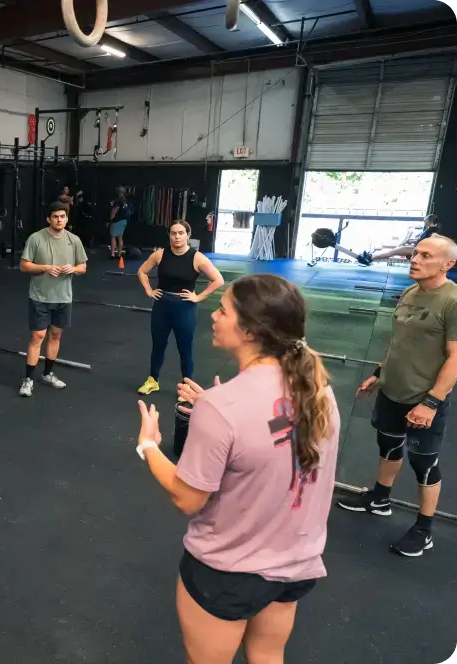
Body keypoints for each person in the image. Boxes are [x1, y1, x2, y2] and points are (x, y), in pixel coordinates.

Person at [135, 274, 340, 664]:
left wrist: (149, 446)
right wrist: (216, 410)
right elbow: (269, 438)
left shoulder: (223, 408)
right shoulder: (318, 390)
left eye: (224, 310)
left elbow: (187, 497)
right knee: (267, 655)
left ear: (249, 330)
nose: (214, 315)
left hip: (228, 571)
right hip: (295, 564)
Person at [338, 233, 457, 557]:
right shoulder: (409, 293)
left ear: (448, 264)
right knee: (388, 445)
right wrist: (379, 374)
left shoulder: (452, 301)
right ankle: (380, 498)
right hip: (392, 391)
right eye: (415, 253)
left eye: (425, 256)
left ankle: (424, 529)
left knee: (424, 464)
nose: (414, 259)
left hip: (424, 399)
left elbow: (455, 357)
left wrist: (431, 403)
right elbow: (399, 344)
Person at [136, 220, 224, 396]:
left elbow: (218, 280)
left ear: (188, 235)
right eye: (173, 233)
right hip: (162, 305)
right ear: (169, 235)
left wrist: (198, 297)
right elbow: (142, 271)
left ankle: (187, 387)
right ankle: (153, 381)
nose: (177, 237)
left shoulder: (196, 257)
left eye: (181, 233)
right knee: (158, 346)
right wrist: (148, 290)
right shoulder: (160, 254)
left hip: (185, 308)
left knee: (185, 349)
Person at [18, 201, 88, 397]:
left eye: (62, 217)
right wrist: (46, 267)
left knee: (56, 335)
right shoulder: (36, 238)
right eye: (55, 217)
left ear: (66, 219)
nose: (59, 220)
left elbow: (82, 267)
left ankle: (48, 373)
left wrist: (72, 269)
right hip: (40, 296)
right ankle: (28, 379)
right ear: (49, 219)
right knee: (37, 336)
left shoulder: (74, 240)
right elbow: (24, 266)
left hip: (63, 298)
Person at [357, 214, 441, 266]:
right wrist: (410, 240)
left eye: (425, 220)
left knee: (393, 251)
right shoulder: (430, 229)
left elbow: (424, 242)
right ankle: (371, 257)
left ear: (430, 221)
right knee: (394, 250)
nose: (424, 221)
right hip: (418, 248)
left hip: (420, 250)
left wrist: (410, 240)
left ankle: (370, 258)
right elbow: (420, 240)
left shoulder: (432, 230)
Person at [108, 186, 129, 259]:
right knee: (120, 237)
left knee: (113, 237)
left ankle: (113, 254)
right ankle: (119, 254)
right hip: (124, 221)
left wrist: (110, 219)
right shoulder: (125, 200)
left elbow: (114, 211)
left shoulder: (118, 200)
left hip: (117, 221)